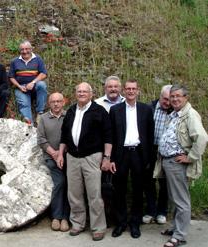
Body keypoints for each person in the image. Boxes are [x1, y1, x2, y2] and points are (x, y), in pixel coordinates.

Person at [154, 85, 208, 247]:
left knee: (181, 200)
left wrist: (190, 157)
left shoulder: (190, 115)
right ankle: (176, 227)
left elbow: (202, 138)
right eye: (172, 97)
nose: (175, 99)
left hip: (178, 163)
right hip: (168, 162)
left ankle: (180, 235)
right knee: (174, 198)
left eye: (179, 96)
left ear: (186, 98)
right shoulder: (176, 115)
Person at [57, 82, 112, 241]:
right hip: (72, 157)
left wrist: (107, 158)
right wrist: (61, 154)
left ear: (91, 94)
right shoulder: (72, 111)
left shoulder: (99, 111)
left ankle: (98, 227)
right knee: (74, 194)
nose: (81, 94)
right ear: (76, 94)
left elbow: (108, 136)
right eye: (79, 91)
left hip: (92, 157)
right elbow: (64, 135)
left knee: (94, 194)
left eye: (84, 91)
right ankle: (78, 223)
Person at [109, 79, 154, 239]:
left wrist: (148, 157)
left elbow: (150, 135)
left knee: (138, 190)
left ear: (138, 90)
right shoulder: (115, 110)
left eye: (133, 88)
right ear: (123, 90)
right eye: (127, 88)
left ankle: (135, 223)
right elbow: (112, 136)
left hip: (139, 154)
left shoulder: (146, 109)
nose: (130, 91)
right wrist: (111, 158)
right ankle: (121, 223)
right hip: (121, 154)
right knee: (119, 189)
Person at [37, 92, 70, 232]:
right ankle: (57, 217)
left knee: (70, 186)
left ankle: (65, 218)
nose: (56, 104)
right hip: (51, 158)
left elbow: (71, 136)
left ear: (63, 102)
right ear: (49, 103)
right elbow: (41, 140)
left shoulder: (69, 116)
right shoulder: (43, 119)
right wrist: (55, 154)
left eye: (59, 101)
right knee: (60, 183)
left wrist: (62, 153)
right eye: (53, 101)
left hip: (69, 157)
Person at [142, 85, 172, 225]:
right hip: (151, 150)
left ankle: (161, 212)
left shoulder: (175, 110)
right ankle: (150, 211)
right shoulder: (149, 108)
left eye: (170, 99)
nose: (168, 102)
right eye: (165, 99)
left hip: (166, 152)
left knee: (165, 183)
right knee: (148, 182)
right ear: (160, 97)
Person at [8, 40, 48, 124]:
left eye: (27, 49)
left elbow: (43, 74)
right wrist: (19, 86)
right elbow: (11, 77)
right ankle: (29, 124)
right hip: (21, 88)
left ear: (31, 49)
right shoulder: (15, 61)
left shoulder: (37, 59)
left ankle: (40, 113)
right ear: (20, 50)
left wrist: (33, 82)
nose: (25, 51)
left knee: (42, 85)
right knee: (24, 104)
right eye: (22, 49)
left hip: (35, 85)